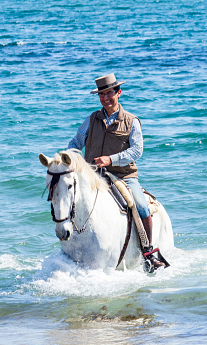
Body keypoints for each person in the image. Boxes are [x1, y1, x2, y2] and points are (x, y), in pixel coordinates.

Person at [68, 73, 165, 269]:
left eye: (109, 93)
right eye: (101, 94)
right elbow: (75, 143)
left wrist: (110, 159)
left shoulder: (131, 121)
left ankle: (148, 251)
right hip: (93, 174)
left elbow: (137, 151)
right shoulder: (91, 119)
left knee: (141, 206)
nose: (105, 98)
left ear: (118, 93)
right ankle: (71, 246)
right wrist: (69, 158)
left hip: (124, 176)